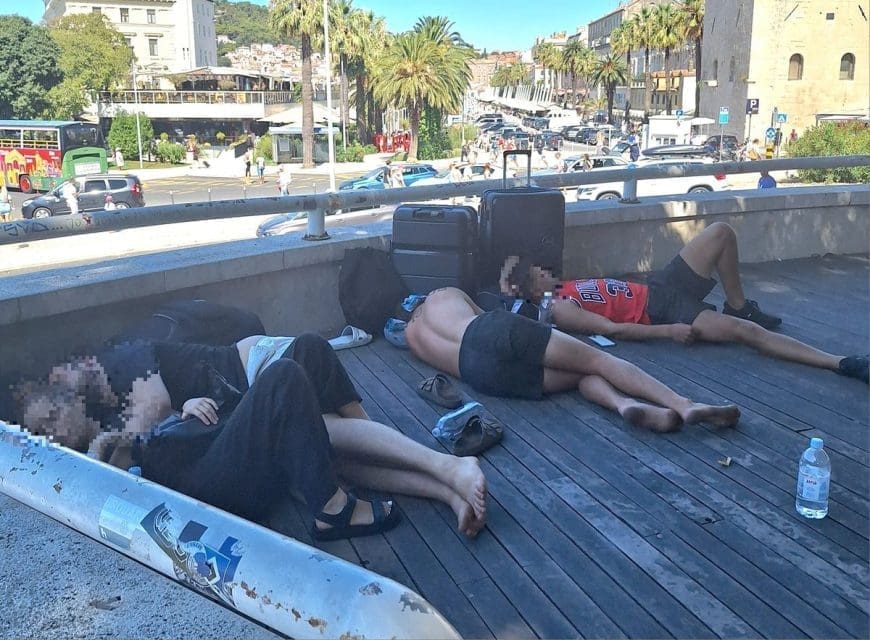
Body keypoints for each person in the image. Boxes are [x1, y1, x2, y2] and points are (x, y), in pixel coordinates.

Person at [20, 334, 488, 538]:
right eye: (43, 427)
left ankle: (444, 487)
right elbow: (147, 451)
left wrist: (180, 410)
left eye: (55, 410)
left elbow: (158, 423)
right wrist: (172, 415)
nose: (54, 426)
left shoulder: (107, 406)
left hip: (211, 446)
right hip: (207, 483)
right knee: (285, 382)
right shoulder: (83, 460)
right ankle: (348, 500)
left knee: (310, 365)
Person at [500, 223, 868, 383]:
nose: (545, 271)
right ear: (532, 288)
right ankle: (840, 362)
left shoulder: (565, 286)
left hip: (660, 286)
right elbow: (613, 329)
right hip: (662, 311)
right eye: (537, 273)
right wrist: (669, 330)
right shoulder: (558, 307)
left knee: (721, 233)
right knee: (746, 333)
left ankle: (738, 303)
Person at [402, 289, 741, 433]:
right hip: (489, 331)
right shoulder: (442, 294)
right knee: (597, 360)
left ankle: (623, 405)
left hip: (478, 373)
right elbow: (488, 317)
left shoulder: (412, 338)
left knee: (579, 376)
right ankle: (683, 404)